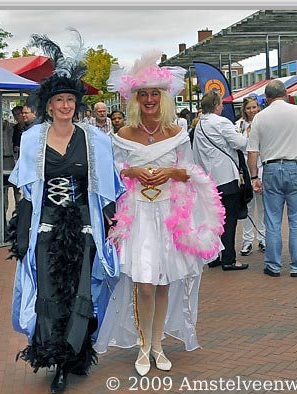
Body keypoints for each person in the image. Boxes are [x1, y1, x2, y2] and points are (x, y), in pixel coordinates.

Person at [7, 30, 125, 394]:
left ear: (78, 103)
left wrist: (111, 227)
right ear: (48, 104)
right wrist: (22, 234)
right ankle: (52, 352)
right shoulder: (32, 139)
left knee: (80, 292)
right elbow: (25, 192)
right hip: (46, 225)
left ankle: (71, 358)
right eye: (58, 100)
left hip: (83, 225)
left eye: (70, 100)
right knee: (49, 289)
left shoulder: (95, 140)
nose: (65, 106)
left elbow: (106, 189)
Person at [94, 50, 225, 377]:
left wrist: (173, 174)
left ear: (163, 98)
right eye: (143, 94)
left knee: (164, 282)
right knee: (145, 284)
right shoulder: (123, 134)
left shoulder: (178, 132)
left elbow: (191, 171)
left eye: (155, 94)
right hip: (138, 216)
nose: (149, 99)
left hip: (169, 216)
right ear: (135, 99)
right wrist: (132, 170)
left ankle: (157, 345)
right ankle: (142, 344)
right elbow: (112, 173)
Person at [247, 79, 297, 278]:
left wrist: (254, 176)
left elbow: (252, 151)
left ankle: (273, 265)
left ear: (266, 98)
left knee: (272, 220)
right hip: (296, 167)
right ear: (286, 94)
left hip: (271, 168)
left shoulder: (260, 117)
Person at [193, 90, 249, 271]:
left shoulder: (199, 126)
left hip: (207, 180)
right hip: (226, 177)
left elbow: (196, 154)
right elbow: (240, 143)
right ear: (217, 105)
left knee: (212, 219)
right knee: (229, 219)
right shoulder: (222, 122)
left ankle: (214, 255)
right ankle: (229, 259)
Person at [235, 96, 265, 256]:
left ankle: (263, 238)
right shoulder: (239, 125)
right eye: (249, 108)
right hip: (245, 170)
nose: (252, 110)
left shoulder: (264, 122)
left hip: (261, 168)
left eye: (254, 107)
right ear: (244, 109)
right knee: (247, 206)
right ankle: (247, 241)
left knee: (263, 207)